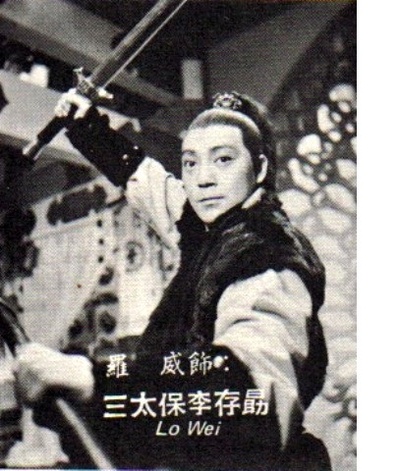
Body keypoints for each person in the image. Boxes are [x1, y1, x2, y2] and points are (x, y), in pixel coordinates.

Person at [14, 90, 331, 470]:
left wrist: (95, 380)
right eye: (190, 163)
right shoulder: (210, 226)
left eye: (223, 159)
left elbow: (253, 394)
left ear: (260, 169)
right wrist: (85, 125)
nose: (203, 179)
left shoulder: (267, 255)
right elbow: (145, 181)